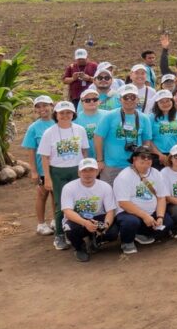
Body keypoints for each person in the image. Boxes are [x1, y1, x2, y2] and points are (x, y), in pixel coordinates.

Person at [37, 101, 91, 250]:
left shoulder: (80, 130)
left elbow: (84, 151)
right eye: (62, 113)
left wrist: (86, 170)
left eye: (68, 112)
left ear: (73, 114)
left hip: (77, 170)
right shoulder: (50, 132)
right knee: (61, 204)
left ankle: (77, 232)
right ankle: (59, 235)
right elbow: (45, 157)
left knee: (79, 202)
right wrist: (47, 178)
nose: (65, 115)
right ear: (56, 114)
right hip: (58, 171)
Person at [112, 145, 173, 254]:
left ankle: (140, 234)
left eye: (149, 157)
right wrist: (145, 216)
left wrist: (160, 216)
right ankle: (127, 241)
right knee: (131, 222)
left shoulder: (156, 173)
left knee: (167, 222)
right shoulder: (124, 176)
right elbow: (123, 203)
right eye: (143, 157)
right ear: (134, 159)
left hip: (151, 212)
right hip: (129, 213)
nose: (146, 159)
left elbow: (161, 197)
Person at [60, 157, 119, 262]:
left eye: (91, 170)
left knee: (113, 231)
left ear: (97, 172)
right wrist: (85, 223)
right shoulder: (69, 187)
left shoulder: (105, 186)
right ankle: (79, 247)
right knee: (70, 229)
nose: (88, 174)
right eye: (84, 171)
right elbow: (68, 212)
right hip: (78, 218)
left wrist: (105, 225)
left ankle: (96, 240)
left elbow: (110, 211)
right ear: (79, 173)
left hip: (98, 217)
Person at [94, 84, 153, 185]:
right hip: (112, 165)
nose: (129, 100)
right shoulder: (109, 116)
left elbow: (146, 141)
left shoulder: (144, 118)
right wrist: (100, 160)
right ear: (120, 99)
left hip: (134, 165)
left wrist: (143, 158)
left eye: (132, 97)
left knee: (132, 192)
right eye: (126, 97)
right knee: (109, 192)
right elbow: (98, 137)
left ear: (137, 99)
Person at [23, 95, 56, 236]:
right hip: (43, 168)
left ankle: (55, 220)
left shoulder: (59, 122)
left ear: (52, 106)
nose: (42, 109)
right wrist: (34, 171)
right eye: (39, 106)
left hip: (58, 167)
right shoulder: (34, 128)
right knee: (42, 194)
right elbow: (31, 150)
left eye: (45, 105)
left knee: (56, 195)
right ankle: (41, 224)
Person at [149, 90, 177, 166]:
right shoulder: (151, 117)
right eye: (162, 102)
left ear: (172, 101)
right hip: (156, 156)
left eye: (168, 100)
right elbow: (148, 139)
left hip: (176, 156)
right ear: (157, 104)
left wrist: (176, 152)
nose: (165, 104)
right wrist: (159, 155)